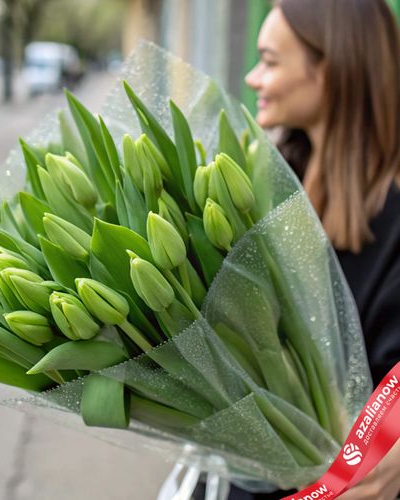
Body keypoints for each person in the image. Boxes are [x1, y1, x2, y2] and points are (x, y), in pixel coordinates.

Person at [194, 0, 400, 498]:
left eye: (269, 60)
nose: (251, 78)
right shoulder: (264, 182)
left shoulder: (394, 225)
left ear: (330, 68)